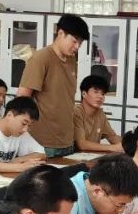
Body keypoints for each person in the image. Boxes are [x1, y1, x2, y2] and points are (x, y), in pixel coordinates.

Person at [17, 14, 90, 158]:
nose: (77, 47)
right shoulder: (41, 58)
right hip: (42, 143)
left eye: (80, 43)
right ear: (60, 33)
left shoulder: (71, 59)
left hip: (66, 141)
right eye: (74, 41)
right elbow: (22, 99)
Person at [72, 74, 122, 154]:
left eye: (103, 94)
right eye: (96, 92)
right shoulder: (76, 112)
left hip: (92, 157)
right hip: (73, 157)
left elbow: (112, 137)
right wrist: (112, 148)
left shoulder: (100, 113)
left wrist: (129, 145)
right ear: (84, 94)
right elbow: (81, 144)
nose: (100, 96)